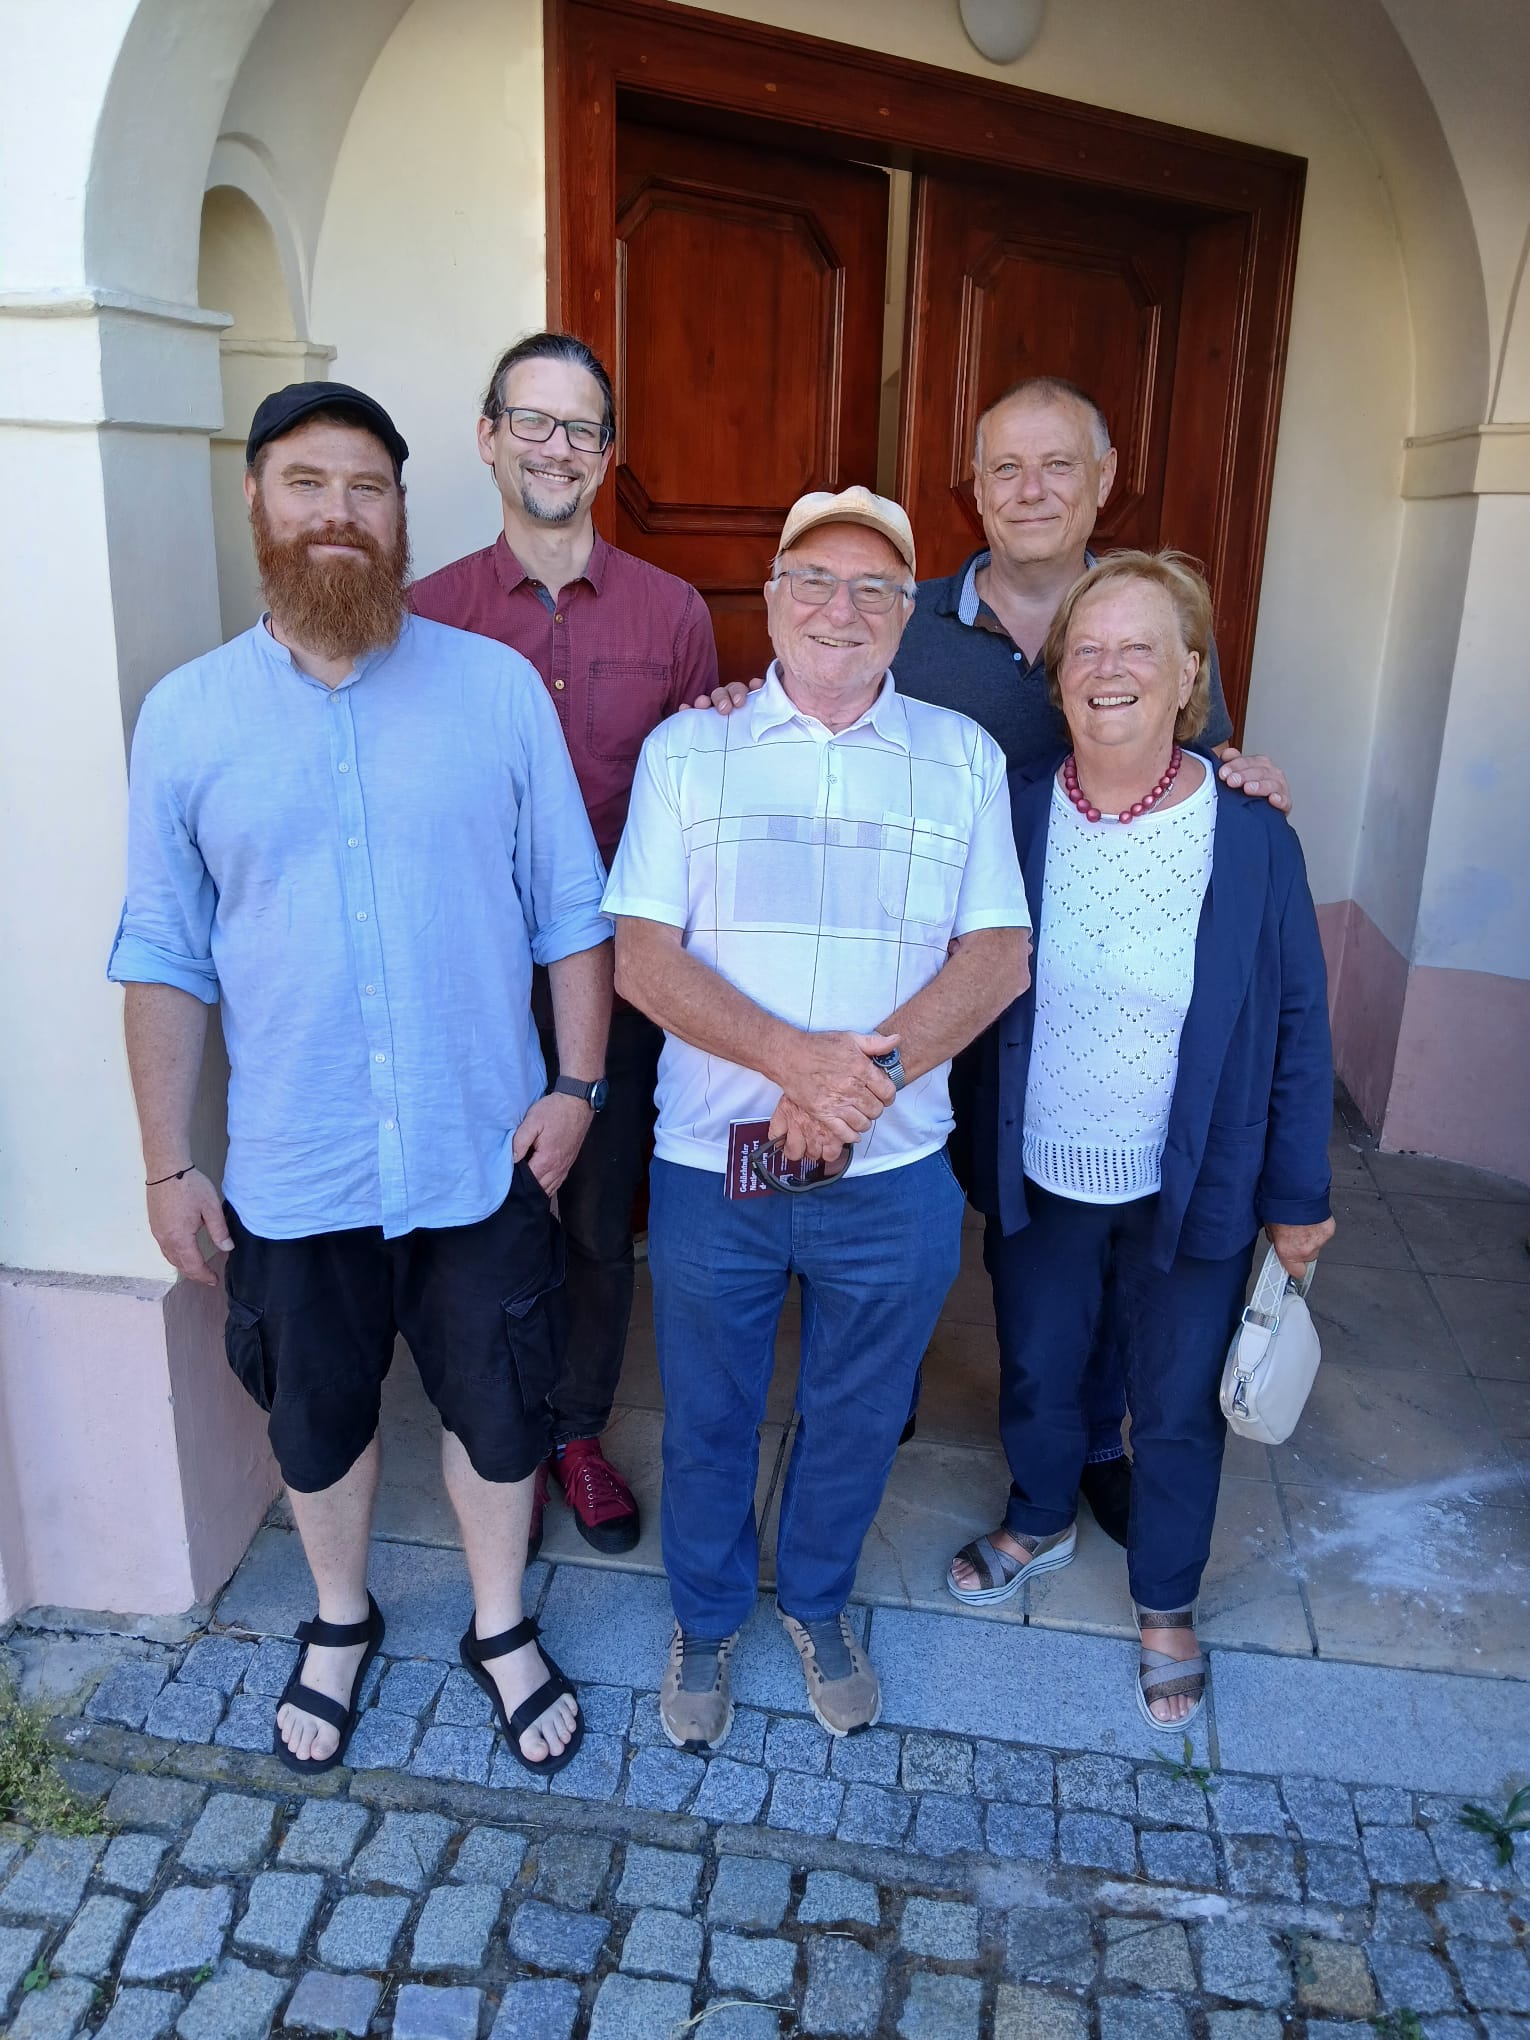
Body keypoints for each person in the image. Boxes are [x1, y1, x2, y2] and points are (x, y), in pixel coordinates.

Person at [109, 381, 613, 1778]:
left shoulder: (495, 693)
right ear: (257, 504)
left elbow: (572, 911)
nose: (339, 511)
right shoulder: (187, 718)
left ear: (400, 513)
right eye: (307, 482)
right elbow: (162, 953)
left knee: (501, 1413)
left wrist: (577, 1086)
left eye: (367, 487)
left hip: (481, 1152)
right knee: (317, 1422)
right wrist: (167, 1163)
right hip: (297, 1163)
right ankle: (341, 1616)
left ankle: (501, 1623)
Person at [693, 375, 1292, 1546]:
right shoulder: (900, 615)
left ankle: (1098, 1436)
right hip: (929, 988)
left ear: (1104, 480)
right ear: (972, 487)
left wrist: (1247, 776)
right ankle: (887, 1381)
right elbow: (815, 695)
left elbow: (1197, 760)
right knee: (907, 1190)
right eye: (1005, 467)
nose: (1030, 490)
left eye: (1058, 464)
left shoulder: (1138, 618)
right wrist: (735, 700)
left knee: (1090, 1225)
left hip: (1086, 1007)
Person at [605, 486, 1031, 1749]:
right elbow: (643, 959)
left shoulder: (962, 755)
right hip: (712, 1164)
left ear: (907, 613)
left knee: (857, 1412)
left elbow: (998, 958)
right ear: (772, 597)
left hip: (893, 1174)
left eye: (874, 588)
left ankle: (819, 1602)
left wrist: (858, 1093)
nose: (841, 609)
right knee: (709, 1414)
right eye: (815, 581)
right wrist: (799, 1065)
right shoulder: (690, 751)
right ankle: (705, 1617)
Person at [949, 550, 1335, 1728]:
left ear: (1188, 677)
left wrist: (1299, 1194)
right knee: (1040, 1361)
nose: (1109, 669)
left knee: (1173, 1402)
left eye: (1139, 648)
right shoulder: (1014, 810)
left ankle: (1167, 1601)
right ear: (1060, 674)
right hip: (1042, 1166)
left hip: (1197, 1180)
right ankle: (1039, 1516)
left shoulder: (1253, 834)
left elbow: (1299, 1021)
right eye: (1089, 647)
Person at [412, 333, 720, 1561]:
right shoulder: (425, 612)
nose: (555, 446)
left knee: (597, 1219)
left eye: (580, 427)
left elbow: (698, 800)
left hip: (621, 982)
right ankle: (503, 1438)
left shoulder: (673, 613)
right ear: (489, 437)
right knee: (487, 1218)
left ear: (607, 454)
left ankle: (577, 1432)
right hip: (472, 980)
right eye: (531, 421)